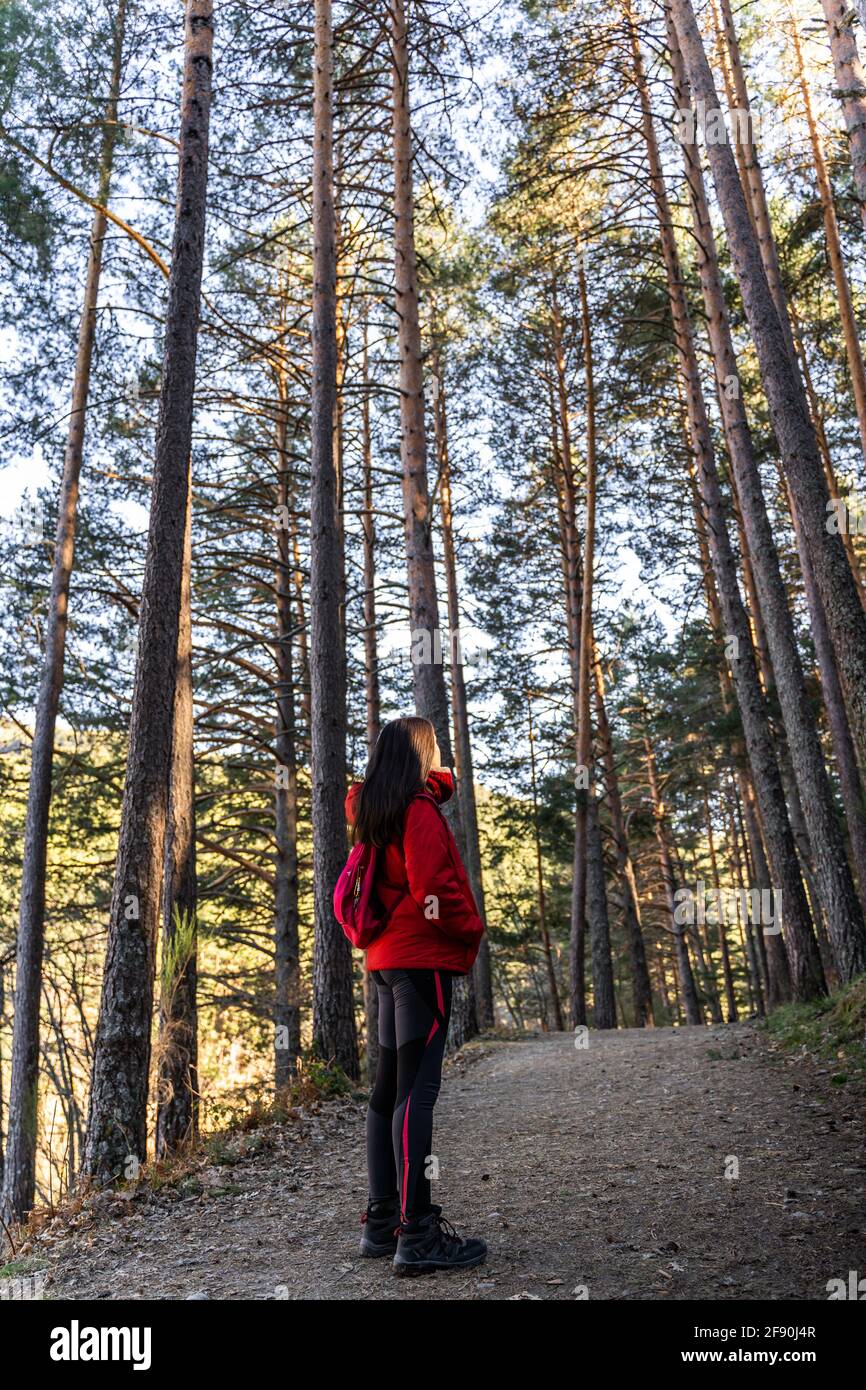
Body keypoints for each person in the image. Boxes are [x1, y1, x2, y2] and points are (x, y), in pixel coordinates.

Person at [345, 715, 487, 1276]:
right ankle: (417, 1233)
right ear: (421, 755)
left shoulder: (373, 810)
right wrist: (468, 930)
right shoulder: (417, 810)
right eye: (433, 752)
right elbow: (435, 887)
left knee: (386, 1093)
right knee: (416, 1095)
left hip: (383, 963)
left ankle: (382, 1223)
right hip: (420, 962)